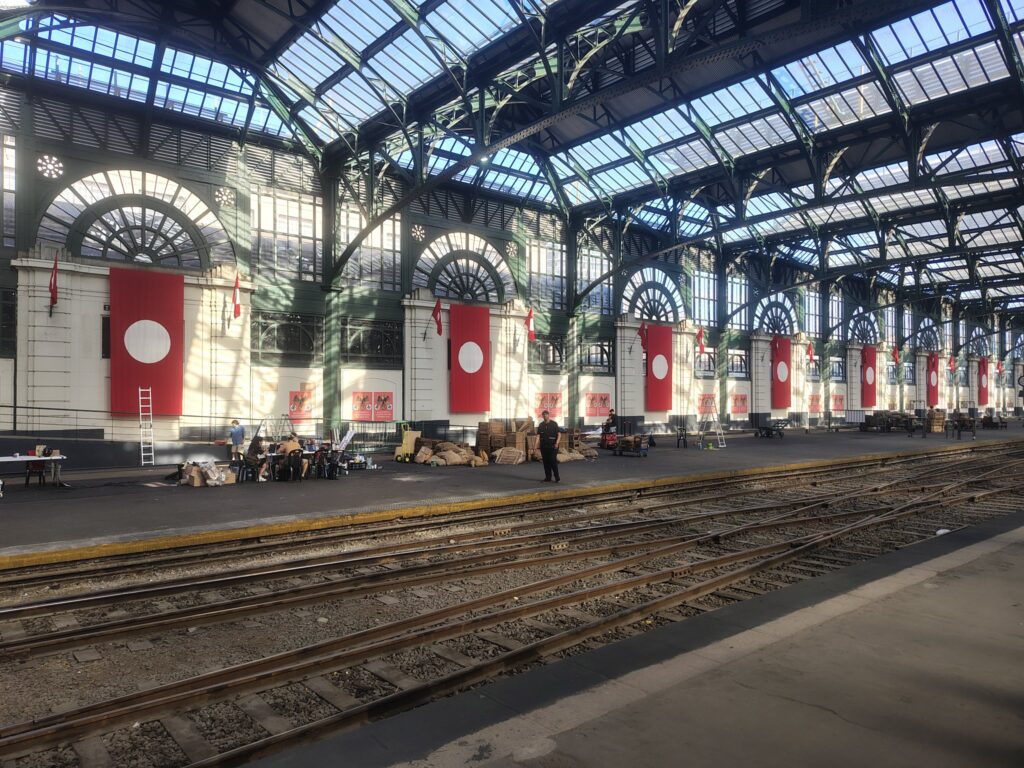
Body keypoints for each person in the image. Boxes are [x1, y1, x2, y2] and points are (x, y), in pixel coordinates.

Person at [537, 410, 561, 483]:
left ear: (548, 415)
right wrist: (535, 447)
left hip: (553, 446)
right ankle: (548, 478)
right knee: (546, 462)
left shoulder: (554, 424)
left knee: (552, 461)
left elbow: (559, 434)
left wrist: (557, 443)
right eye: (543, 415)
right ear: (542, 416)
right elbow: (538, 436)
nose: (545, 416)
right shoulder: (541, 425)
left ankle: (557, 477)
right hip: (544, 447)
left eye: (546, 415)